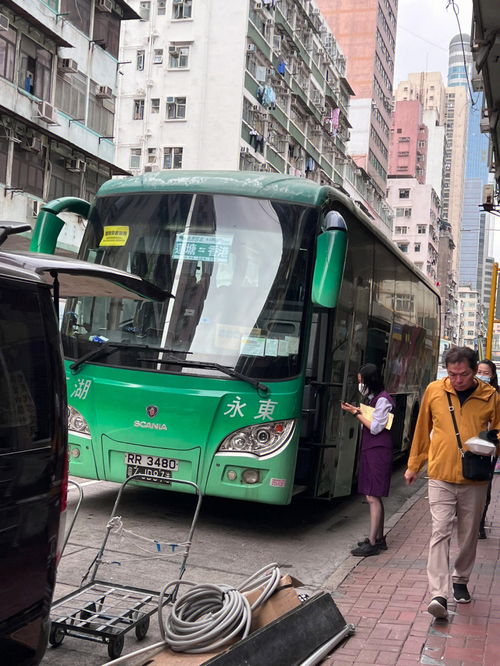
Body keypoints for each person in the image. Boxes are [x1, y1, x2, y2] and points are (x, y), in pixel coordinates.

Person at [404, 347, 500, 620]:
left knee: (468, 534)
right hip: (440, 475)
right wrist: (414, 465)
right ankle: (439, 594)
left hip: (475, 477)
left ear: (474, 372)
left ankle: (460, 579)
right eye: (453, 374)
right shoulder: (434, 391)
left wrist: (492, 444)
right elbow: (421, 429)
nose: (458, 379)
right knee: (440, 531)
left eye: (465, 374)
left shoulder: (489, 396)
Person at [341, 364, 395, 557]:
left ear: (369, 380)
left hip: (378, 452)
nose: (360, 384)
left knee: (372, 496)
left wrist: (355, 414)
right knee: (374, 495)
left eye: (361, 381)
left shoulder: (384, 401)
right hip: (372, 450)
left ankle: (373, 542)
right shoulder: (376, 400)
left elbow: (375, 427)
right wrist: (356, 409)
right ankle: (378, 539)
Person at [476, 359, 499, 539]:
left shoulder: (496, 396)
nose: (482, 376)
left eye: (486, 373)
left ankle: (480, 523)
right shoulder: (469, 392)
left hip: (489, 445)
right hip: (469, 444)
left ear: (492, 376)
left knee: (485, 484)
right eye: (479, 371)